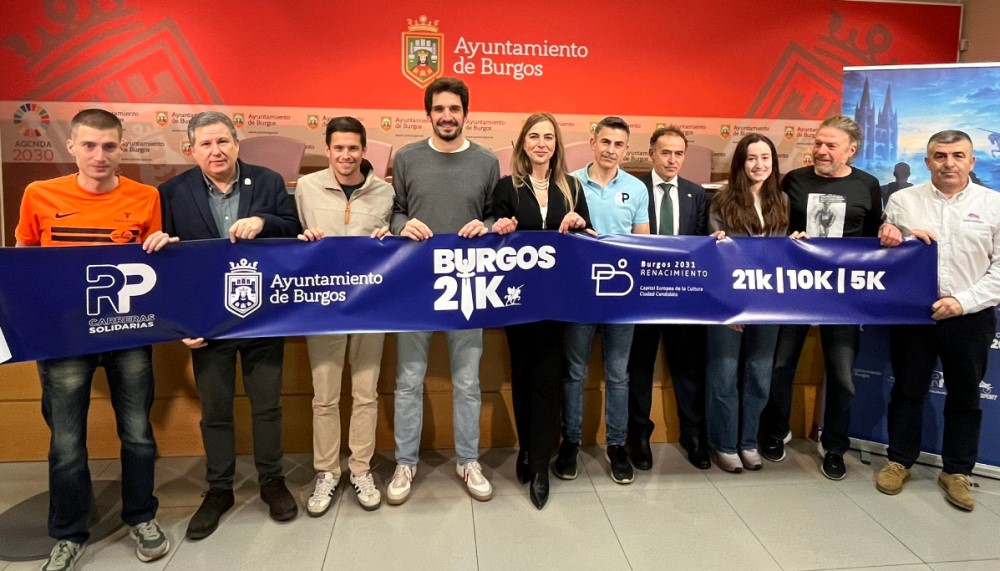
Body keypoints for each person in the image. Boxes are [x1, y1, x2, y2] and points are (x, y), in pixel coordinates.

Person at [15, 109, 171, 570]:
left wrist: (163, 245)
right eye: (89, 145)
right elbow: (24, 261)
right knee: (66, 443)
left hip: (128, 333)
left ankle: (142, 516)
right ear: (72, 148)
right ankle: (68, 534)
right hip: (63, 338)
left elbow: (154, 263)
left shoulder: (146, 196)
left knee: (138, 434)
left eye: (108, 146)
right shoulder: (39, 194)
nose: (99, 155)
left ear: (122, 148)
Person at [159, 111, 302, 539]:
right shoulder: (172, 193)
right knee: (216, 410)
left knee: (267, 405)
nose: (216, 150)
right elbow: (166, 265)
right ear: (192, 150)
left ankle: (272, 480)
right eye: (205, 144)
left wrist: (264, 222)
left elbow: (294, 232)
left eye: (223, 141)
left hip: (262, 316)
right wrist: (180, 322)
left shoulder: (269, 182)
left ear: (237, 144)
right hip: (207, 322)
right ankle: (219, 488)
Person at [387, 77, 499, 505]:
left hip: (467, 285)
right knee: (408, 380)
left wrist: (486, 227)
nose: (447, 116)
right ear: (428, 113)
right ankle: (405, 462)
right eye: (439, 109)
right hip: (415, 286)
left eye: (455, 109)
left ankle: (468, 460)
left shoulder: (487, 161)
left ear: (466, 114)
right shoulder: (407, 158)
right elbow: (395, 212)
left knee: (467, 381)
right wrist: (403, 225)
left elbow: (495, 216)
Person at [876, 130, 1000, 511]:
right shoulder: (902, 201)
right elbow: (885, 254)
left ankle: (957, 472)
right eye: (941, 156)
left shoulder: (994, 204)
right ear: (927, 161)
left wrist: (961, 302)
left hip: (969, 316)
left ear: (971, 161)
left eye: (958, 156)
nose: (949, 163)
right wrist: (889, 234)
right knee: (907, 390)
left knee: (966, 395)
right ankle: (899, 460)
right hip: (913, 314)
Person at [759, 115, 882, 479]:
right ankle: (776, 430)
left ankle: (834, 446)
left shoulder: (867, 185)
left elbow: (874, 239)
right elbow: (775, 228)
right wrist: (788, 239)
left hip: (843, 296)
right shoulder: (794, 180)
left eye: (831, 145)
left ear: (851, 150)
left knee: (842, 375)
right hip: (795, 290)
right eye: (818, 143)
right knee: (781, 365)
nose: (822, 151)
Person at [491, 112, 592, 509]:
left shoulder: (572, 187)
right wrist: (500, 228)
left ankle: (540, 468)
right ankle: (527, 449)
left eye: (548, 137)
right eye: (534, 136)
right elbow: (492, 234)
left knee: (548, 378)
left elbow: (587, 237)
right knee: (522, 374)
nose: (541, 143)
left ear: (556, 145)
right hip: (517, 299)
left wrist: (579, 223)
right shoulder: (508, 186)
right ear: (523, 144)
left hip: (558, 300)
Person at [295, 117, 393, 514]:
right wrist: (303, 239)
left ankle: (360, 468)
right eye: (339, 148)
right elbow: (291, 241)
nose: (346, 155)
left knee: (366, 393)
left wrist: (389, 238)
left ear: (364, 150)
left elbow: (395, 245)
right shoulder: (306, 187)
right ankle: (327, 471)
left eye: (353, 148)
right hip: (323, 307)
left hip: (371, 307)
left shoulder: (385, 192)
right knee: (325, 396)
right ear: (328, 150)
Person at [557, 116, 650, 485]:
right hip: (578, 293)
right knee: (574, 372)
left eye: (619, 144)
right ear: (593, 142)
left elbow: (644, 244)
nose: (611, 150)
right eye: (606, 142)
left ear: (626, 150)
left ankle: (616, 446)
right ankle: (570, 442)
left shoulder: (636, 189)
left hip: (621, 295)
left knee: (618, 375)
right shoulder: (569, 183)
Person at [626, 126, 709, 471]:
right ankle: (638, 437)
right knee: (639, 369)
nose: (672, 159)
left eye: (678, 153)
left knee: (688, 369)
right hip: (642, 296)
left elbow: (702, 243)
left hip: (682, 298)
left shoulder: (696, 194)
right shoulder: (635, 190)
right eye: (665, 152)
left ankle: (693, 436)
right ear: (651, 154)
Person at [706, 134, 788, 473]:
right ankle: (725, 444)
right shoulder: (722, 200)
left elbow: (783, 254)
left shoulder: (782, 199)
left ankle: (748, 441)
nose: (759, 165)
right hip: (729, 304)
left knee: (759, 373)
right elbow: (715, 259)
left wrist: (797, 242)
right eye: (751, 158)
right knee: (724, 374)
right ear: (740, 163)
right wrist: (730, 307)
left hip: (768, 304)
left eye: (765, 158)